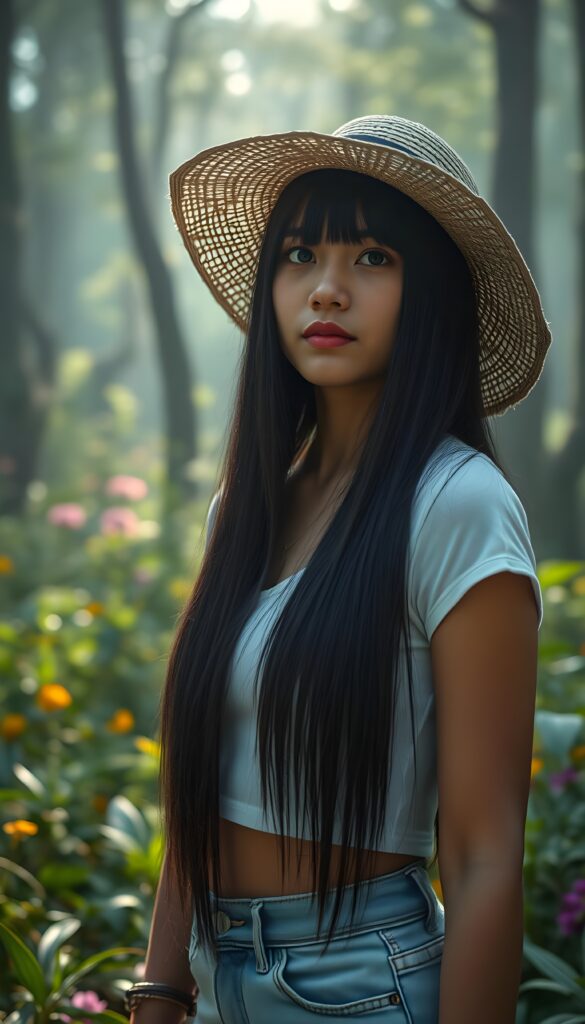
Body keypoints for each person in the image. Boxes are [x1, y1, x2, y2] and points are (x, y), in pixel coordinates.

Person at [125, 114, 551, 1024]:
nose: (324, 291)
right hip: (211, 976)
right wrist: (160, 990)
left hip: (359, 985)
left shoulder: (457, 508)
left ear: (430, 289)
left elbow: (483, 857)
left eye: (371, 259)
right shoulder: (247, 507)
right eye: (297, 256)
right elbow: (201, 791)